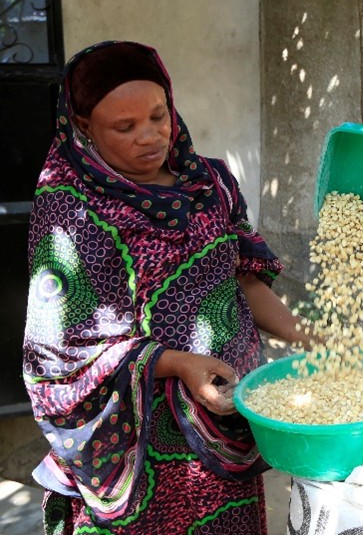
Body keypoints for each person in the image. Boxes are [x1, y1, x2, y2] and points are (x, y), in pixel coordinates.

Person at [22, 40, 317, 534]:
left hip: (224, 425)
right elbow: (58, 349)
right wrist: (178, 363)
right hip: (134, 448)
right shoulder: (72, 212)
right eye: (125, 126)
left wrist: (314, 337)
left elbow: (241, 279)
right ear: (84, 128)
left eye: (159, 116)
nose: (150, 136)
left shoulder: (212, 183)